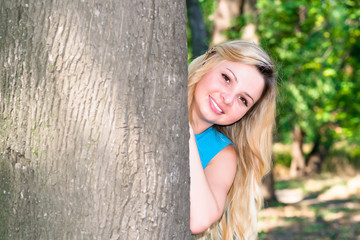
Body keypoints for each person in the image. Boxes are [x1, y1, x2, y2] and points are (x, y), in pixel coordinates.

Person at [189, 40, 276, 240]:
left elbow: (199, 220)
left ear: (247, 114)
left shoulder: (222, 155)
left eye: (243, 100)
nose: (228, 99)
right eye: (226, 78)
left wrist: (184, 132)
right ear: (208, 61)